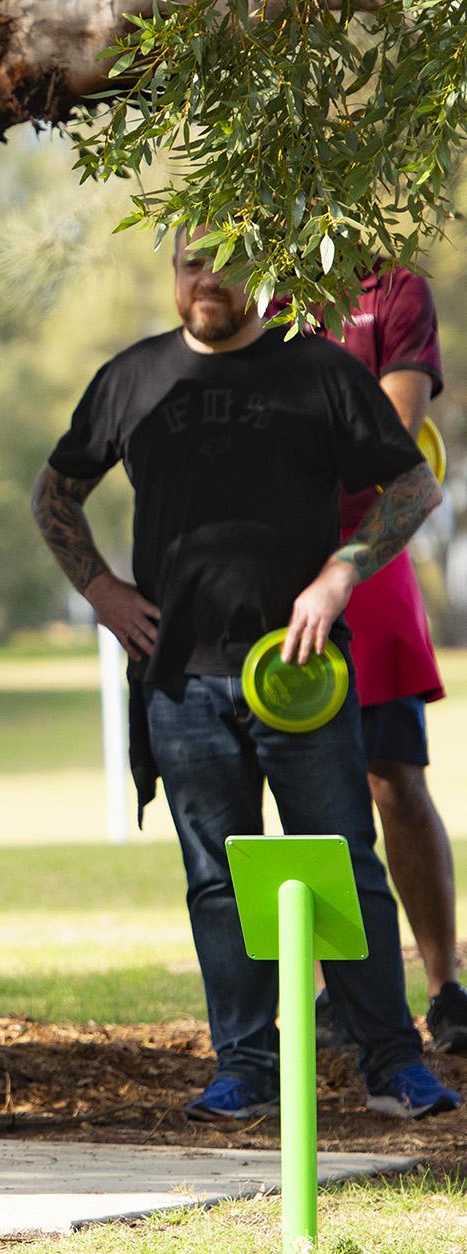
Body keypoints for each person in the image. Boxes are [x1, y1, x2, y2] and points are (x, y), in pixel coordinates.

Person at [31, 231, 459, 1121]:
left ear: (260, 272)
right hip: (179, 679)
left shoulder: (317, 372)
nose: (208, 278)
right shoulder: (133, 377)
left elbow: (413, 488)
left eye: (228, 262)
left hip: (298, 676)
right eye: (193, 261)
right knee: (216, 876)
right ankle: (245, 1067)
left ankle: (391, 1063)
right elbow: (54, 492)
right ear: (174, 273)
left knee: (345, 862)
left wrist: (340, 574)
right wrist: (102, 589)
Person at [285, 265, 463, 1055]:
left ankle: (445, 984)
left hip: (370, 549)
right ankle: (332, 993)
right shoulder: (250, 281)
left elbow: (386, 442)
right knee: (301, 782)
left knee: (393, 778)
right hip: (276, 560)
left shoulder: (393, 292)